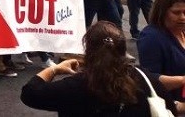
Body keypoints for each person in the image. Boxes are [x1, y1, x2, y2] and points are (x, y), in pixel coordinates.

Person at [21, 20, 183, 116]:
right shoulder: (143, 78)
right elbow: (170, 109)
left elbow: (30, 93)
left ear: (88, 50)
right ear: (123, 50)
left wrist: (54, 69)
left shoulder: (74, 86)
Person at [137, 0, 185, 78]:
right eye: (176, 12)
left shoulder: (182, 30)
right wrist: (181, 80)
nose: (183, 17)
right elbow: (150, 79)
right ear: (161, 12)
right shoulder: (151, 38)